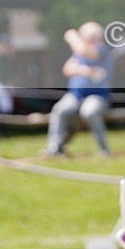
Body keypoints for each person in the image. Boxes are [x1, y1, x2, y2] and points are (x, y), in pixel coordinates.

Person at [45, 21, 113, 156]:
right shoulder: (79, 54)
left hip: (98, 97)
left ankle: (104, 149)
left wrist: (71, 36)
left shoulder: (101, 49)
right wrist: (84, 70)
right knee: (60, 109)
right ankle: (55, 148)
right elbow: (67, 69)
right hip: (76, 96)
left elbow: (83, 50)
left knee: (89, 112)